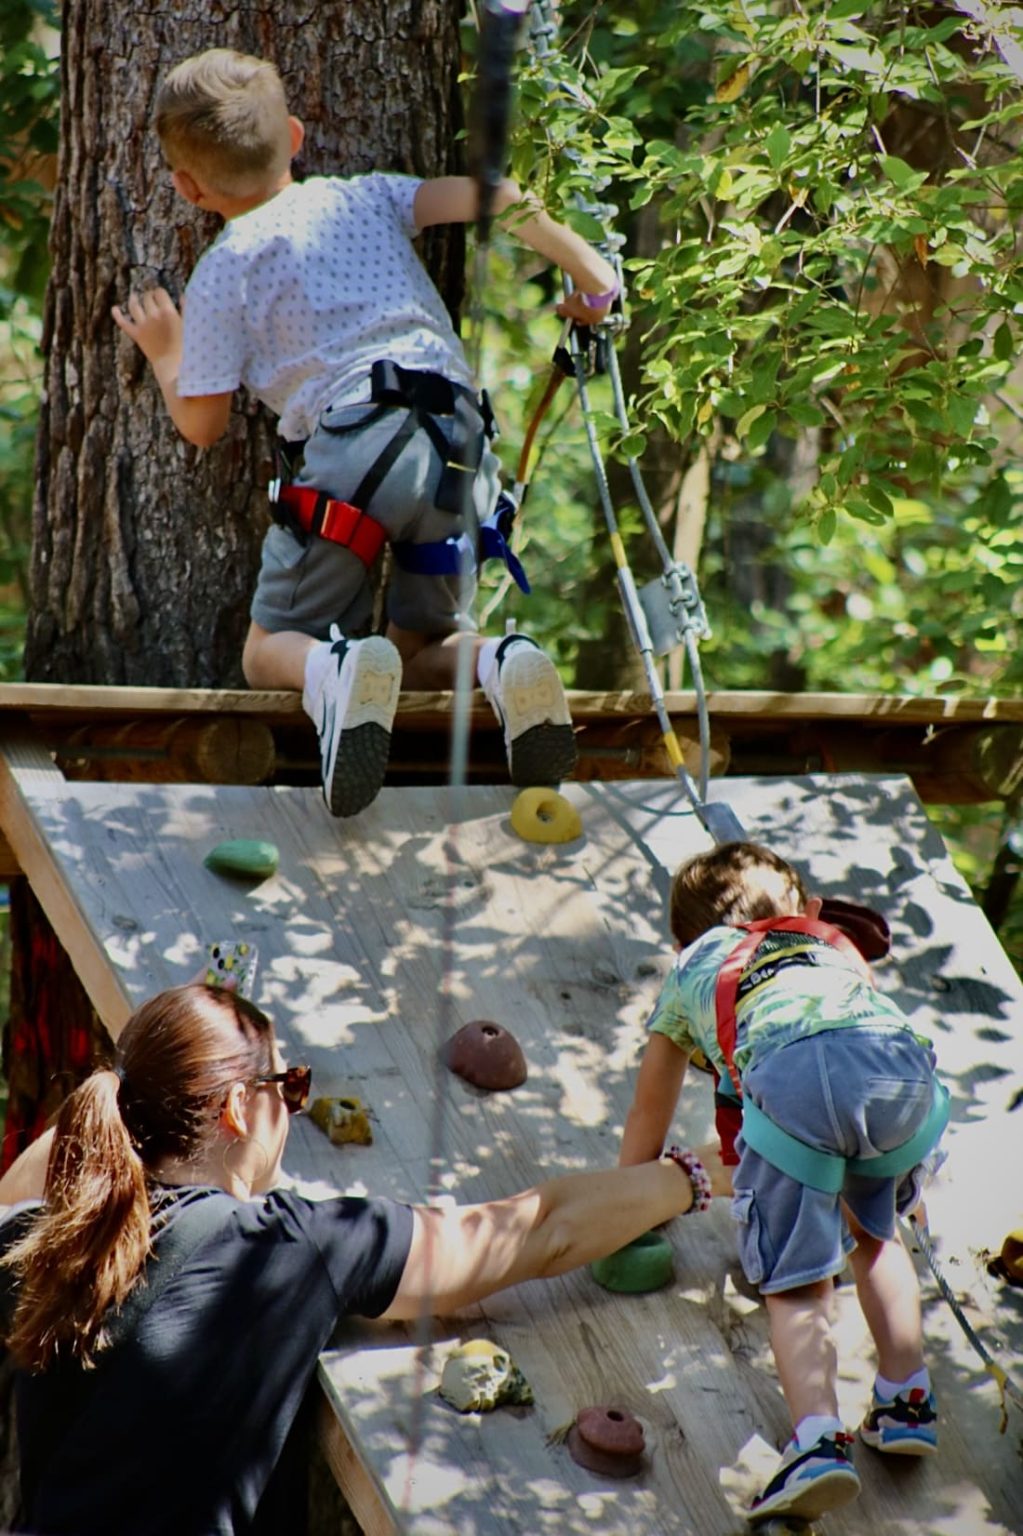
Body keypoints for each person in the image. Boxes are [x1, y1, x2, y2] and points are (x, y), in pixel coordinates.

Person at [0, 982, 727, 1535]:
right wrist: (693, 1174)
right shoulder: (284, 1248)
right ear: (239, 1111)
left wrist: (142, 1075)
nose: (295, 1106)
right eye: (291, 1087)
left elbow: (45, 1165)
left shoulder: (39, 1237)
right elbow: (536, 1232)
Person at [111, 49, 621, 817]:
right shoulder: (366, 199)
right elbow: (498, 197)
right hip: (459, 442)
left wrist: (165, 353)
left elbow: (202, 423)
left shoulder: (225, 267)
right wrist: (592, 276)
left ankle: (336, 673)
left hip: (356, 448)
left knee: (267, 649)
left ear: (187, 187)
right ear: (293, 133)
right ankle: (502, 660)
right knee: (423, 648)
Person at [618, 841, 947, 1525]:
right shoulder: (832, 943)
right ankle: (904, 1398)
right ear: (803, 909)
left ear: (683, 938)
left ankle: (817, 1443)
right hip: (905, 1077)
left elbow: (652, 1102)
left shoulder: (691, 969)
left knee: (798, 1284)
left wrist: (629, 1204)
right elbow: (853, 1031)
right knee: (876, 1239)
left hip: (798, 1078)